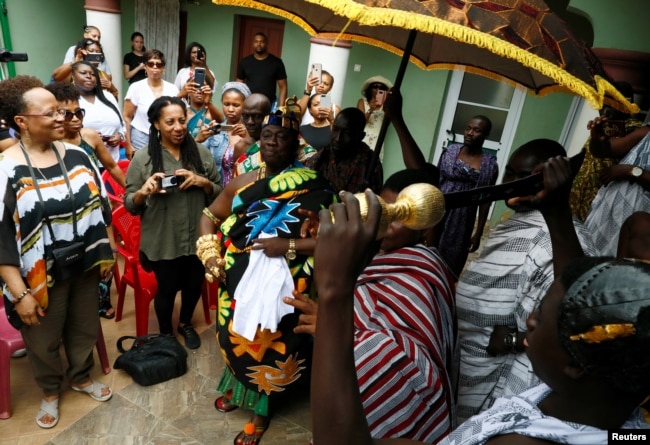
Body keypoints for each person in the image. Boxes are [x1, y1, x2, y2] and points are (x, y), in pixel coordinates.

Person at [308, 157, 650, 445]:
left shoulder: (521, 443)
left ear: (576, 363)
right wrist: (557, 214)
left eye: (541, 316)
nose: (529, 321)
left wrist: (335, 290)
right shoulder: (602, 407)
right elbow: (569, 290)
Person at [285, 169, 457, 443]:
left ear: (423, 225)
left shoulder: (422, 270)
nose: (386, 224)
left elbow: (406, 355)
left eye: (398, 216)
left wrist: (333, 324)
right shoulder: (377, 255)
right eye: (383, 212)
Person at [196, 109, 336, 445]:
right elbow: (208, 216)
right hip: (237, 279)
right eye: (268, 136)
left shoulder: (314, 187)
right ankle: (236, 389)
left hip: (286, 283)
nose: (273, 142)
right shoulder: (244, 182)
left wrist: (286, 243)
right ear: (260, 140)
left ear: (295, 143)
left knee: (270, 343)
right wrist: (210, 254)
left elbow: (332, 238)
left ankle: (262, 410)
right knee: (237, 335)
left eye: (282, 137)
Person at [0, 75, 114, 429]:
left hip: (84, 264)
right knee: (43, 339)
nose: (62, 118)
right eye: (50, 113)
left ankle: (80, 376)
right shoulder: (6, 169)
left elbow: (101, 207)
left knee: (83, 327)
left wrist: (104, 254)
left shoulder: (79, 154)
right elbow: (1, 239)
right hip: (36, 274)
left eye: (62, 111)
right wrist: (20, 295)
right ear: (22, 122)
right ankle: (50, 391)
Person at [454, 140, 595, 422]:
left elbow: (571, 324)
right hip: (470, 366)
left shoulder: (552, 241)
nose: (514, 184)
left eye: (526, 177)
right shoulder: (515, 223)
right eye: (510, 173)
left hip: (503, 382)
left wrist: (512, 339)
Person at [124, 96, 221, 349]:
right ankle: (166, 333)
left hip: (197, 236)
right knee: (165, 290)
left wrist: (204, 182)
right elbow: (129, 204)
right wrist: (144, 191)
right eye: (170, 122)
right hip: (163, 238)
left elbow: (221, 193)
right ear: (156, 124)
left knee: (193, 286)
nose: (178, 127)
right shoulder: (143, 158)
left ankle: (185, 323)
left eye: (182, 120)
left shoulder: (201, 153)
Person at [434, 115, 498, 278]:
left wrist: (478, 232)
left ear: (486, 135)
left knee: (451, 260)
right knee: (427, 251)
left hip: (462, 219)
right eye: (468, 128)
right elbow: (435, 181)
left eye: (476, 130)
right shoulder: (450, 152)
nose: (470, 133)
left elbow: (485, 199)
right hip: (439, 210)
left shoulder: (489, 165)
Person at [568, 82, 643, 221]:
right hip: (577, 195)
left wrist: (598, 137)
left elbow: (608, 150)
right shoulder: (602, 125)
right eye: (603, 103)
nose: (605, 110)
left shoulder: (633, 129)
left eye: (611, 105)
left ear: (625, 105)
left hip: (599, 199)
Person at [583, 117, 650, 256]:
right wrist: (597, 139)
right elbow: (606, 150)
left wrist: (629, 171)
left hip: (638, 218)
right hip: (608, 213)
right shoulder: (647, 131)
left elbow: (631, 171)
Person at [305, 107, 383, 194]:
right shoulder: (322, 156)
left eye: (347, 133)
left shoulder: (370, 162)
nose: (338, 138)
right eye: (335, 130)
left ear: (361, 136)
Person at [123, 49, 180, 158]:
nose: (154, 67)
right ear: (145, 66)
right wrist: (128, 144)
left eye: (159, 64)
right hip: (141, 137)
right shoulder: (136, 87)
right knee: (143, 171)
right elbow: (126, 116)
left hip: (166, 138)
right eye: (150, 64)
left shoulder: (172, 89)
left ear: (163, 68)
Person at [71, 61, 125, 162]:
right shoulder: (70, 100)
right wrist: (88, 137)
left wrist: (120, 136)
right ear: (73, 76)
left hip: (112, 161)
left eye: (93, 74)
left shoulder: (108, 97)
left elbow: (122, 124)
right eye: (83, 73)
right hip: (84, 162)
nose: (89, 76)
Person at [200, 81, 251, 185]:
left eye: (236, 105)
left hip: (243, 190)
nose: (230, 109)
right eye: (226, 104)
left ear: (245, 106)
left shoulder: (252, 132)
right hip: (218, 191)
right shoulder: (215, 131)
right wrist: (199, 139)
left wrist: (248, 137)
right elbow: (198, 158)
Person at [52, 39, 118, 99]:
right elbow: (56, 77)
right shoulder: (73, 71)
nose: (95, 54)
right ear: (83, 53)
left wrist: (113, 89)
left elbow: (114, 102)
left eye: (98, 52)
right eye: (91, 51)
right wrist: (75, 62)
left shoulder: (103, 75)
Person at [236, 32, 287, 106]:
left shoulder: (277, 62)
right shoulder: (245, 62)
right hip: (249, 103)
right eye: (256, 41)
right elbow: (238, 84)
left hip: (269, 105)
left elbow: (283, 87)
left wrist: (281, 109)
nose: (259, 44)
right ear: (253, 44)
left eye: (262, 42)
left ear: (266, 44)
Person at [231, 93, 272, 178]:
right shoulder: (241, 146)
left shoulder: (278, 144)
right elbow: (236, 180)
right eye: (246, 116)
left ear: (269, 116)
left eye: (257, 116)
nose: (250, 122)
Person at [357, 76, 393, 152]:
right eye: (375, 86)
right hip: (362, 138)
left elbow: (387, 124)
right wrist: (370, 109)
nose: (377, 89)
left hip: (377, 141)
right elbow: (360, 122)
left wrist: (386, 105)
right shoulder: (362, 102)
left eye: (381, 88)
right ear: (370, 89)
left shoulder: (387, 105)